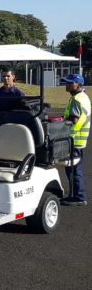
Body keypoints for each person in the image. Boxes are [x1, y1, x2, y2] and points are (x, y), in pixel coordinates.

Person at [60, 73, 90, 206]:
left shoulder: (76, 99)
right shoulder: (83, 97)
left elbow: (74, 120)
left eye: (69, 83)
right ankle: (77, 195)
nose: (66, 85)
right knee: (74, 169)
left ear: (78, 85)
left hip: (73, 140)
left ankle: (78, 197)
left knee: (73, 170)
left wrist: (61, 123)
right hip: (78, 140)